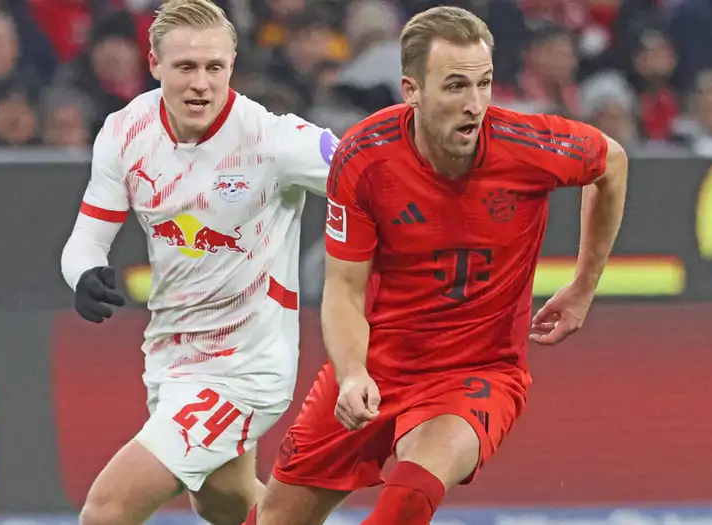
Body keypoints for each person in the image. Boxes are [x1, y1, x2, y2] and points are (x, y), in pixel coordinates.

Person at [249, 6, 629, 525]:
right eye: (455, 86)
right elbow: (344, 289)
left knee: (406, 499)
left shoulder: (527, 144)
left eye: (484, 83)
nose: (475, 104)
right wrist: (352, 372)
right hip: (377, 362)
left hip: (478, 372)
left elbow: (611, 163)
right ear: (412, 90)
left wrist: (584, 285)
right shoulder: (364, 157)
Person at [58, 1, 338, 524]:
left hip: (247, 368)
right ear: (154, 64)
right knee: (224, 502)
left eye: (215, 67)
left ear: (233, 66)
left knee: (107, 510)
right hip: (171, 358)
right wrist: (84, 274)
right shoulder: (125, 131)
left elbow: (376, 181)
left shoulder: (275, 140)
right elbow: (87, 239)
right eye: (185, 67)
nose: (201, 84)